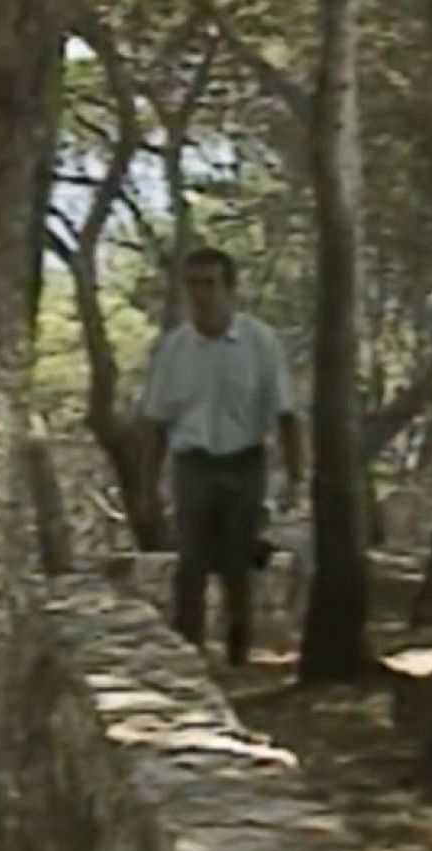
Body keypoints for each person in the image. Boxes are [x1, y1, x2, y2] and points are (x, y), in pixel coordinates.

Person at [138, 246, 305, 666]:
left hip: (244, 462)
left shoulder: (259, 343)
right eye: (193, 284)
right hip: (192, 463)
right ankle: (188, 653)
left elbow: (287, 412)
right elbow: (156, 422)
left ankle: (239, 651)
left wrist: (297, 477)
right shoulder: (173, 349)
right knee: (191, 563)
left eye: (209, 284)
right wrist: (147, 486)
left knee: (237, 562)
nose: (201, 294)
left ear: (229, 289)